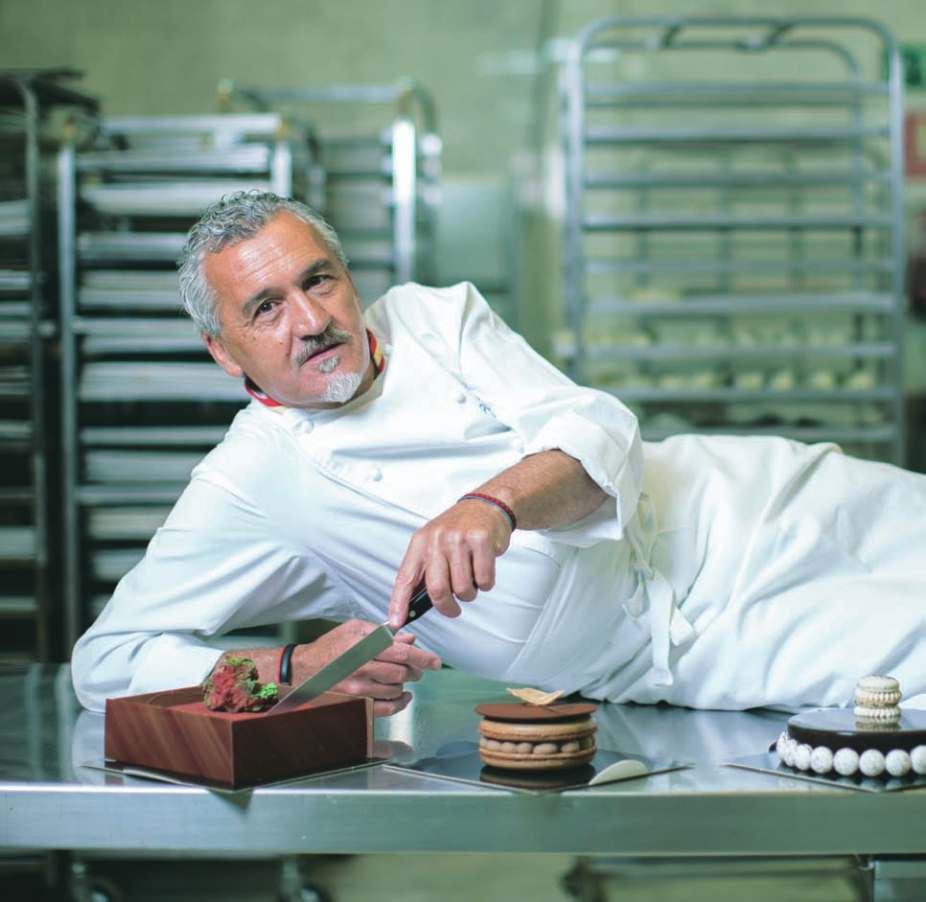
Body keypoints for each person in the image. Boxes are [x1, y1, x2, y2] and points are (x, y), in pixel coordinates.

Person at [71, 191, 926, 716]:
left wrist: (492, 504)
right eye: (266, 307)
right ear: (223, 352)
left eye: (318, 279)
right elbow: (107, 661)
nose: (312, 319)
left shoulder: (434, 318)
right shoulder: (253, 480)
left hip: (744, 502)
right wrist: (292, 667)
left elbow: (595, 427)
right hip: (706, 641)